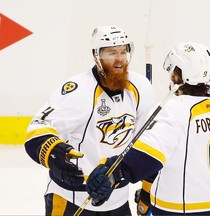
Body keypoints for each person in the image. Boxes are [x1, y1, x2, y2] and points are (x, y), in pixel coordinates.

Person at [84, 42, 210, 215]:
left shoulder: (174, 112)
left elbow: (143, 160)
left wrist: (110, 172)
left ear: (176, 75)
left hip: (178, 210)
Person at [24, 25, 156, 215]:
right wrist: (54, 154)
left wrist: (147, 190)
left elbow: (149, 142)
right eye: (112, 53)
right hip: (71, 198)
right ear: (96, 56)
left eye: (123, 51)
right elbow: (36, 129)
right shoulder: (77, 91)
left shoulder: (141, 88)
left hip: (118, 200)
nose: (119, 60)